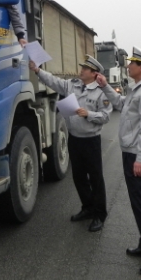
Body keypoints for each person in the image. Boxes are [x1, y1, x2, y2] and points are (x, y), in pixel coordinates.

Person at [96, 46, 141, 276]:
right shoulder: (137, 89)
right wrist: (104, 86)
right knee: (140, 206)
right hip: (132, 153)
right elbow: (120, 103)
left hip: (138, 155)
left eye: (132, 63)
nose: (128, 66)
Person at [29, 55, 112, 232]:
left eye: (85, 69)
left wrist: (88, 114)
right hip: (74, 139)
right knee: (79, 177)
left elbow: (106, 116)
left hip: (91, 141)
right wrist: (37, 71)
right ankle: (87, 208)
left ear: (94, 73)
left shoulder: (102, 92)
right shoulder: (72, 85)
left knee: (96, 179)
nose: (81, 70)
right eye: (82, 67)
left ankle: (99, 215)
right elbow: (54, 81)